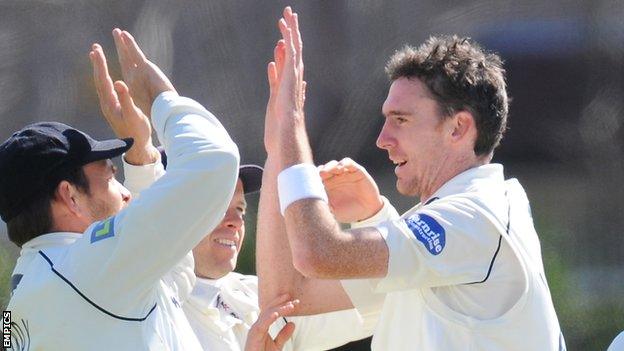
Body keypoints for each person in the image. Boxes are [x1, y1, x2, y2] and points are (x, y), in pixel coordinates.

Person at [260, 7, 566, 350]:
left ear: (459, 127)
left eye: (401, 120)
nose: (382, 139)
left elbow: (317, 253)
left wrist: (293, 124)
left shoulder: (475, 215)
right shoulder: (464, 220)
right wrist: (278, 149)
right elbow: (287, 299)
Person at [1, 28, 245, 350]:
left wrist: (142, 155)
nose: (126, 192)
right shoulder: (89, 268)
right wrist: (160, 96)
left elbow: (172, 280)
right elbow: (215, 160)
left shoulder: (31, 285)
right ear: (69, 196)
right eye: (110, 177)